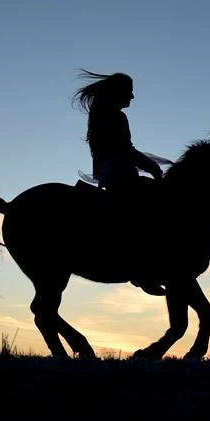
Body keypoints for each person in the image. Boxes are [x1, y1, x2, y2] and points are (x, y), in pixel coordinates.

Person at [72, 70, 166, 295]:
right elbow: (126, 150)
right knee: (154, 213)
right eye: (129, 92)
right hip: (122, 176)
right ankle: (144, 270)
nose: (132, 96)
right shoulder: (116, 117)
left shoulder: (100, 116)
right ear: (118, 93)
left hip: (110, 176)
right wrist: (152, 167)